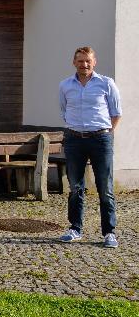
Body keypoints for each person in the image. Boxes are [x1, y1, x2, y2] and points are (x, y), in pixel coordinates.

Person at [58, 46, 121, 248]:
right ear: (74, 62)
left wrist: (107, 134)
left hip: (100, 139)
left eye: (88, 61)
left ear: (94, 62)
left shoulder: (106, 83)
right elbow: (64, 110)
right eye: (80, 61)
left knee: (105, 188)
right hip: (74, 139)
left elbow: (116, 113)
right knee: (75, 187)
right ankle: (75, 228)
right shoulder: (65, 85)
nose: (84, 64)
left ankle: (109, 232)